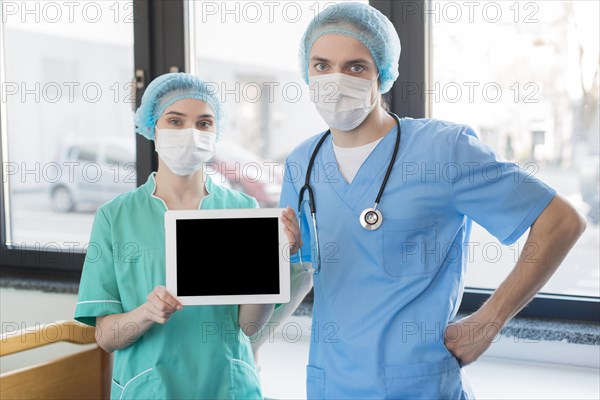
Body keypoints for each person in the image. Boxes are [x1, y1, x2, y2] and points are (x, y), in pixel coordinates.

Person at [278, 3, 587, 399]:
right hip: (330, 383)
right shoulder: (301, 164)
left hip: (419, 385)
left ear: (383, 74)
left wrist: (488, 322)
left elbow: (561, 221)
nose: (334, 81)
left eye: (355, 67)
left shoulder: (443, 150)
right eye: (321, 66)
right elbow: (300, 271)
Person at [74, 72, 301, 399]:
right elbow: (107, 337)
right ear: (152, 128)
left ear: (216, 131)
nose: (191, 133)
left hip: (229, 386)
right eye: (176, 121)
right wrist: (146, 313)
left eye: (204, 123)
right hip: (151, 389)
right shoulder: (116, 217)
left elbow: (249, 326)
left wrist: (275, 257)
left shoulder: (242, 209)